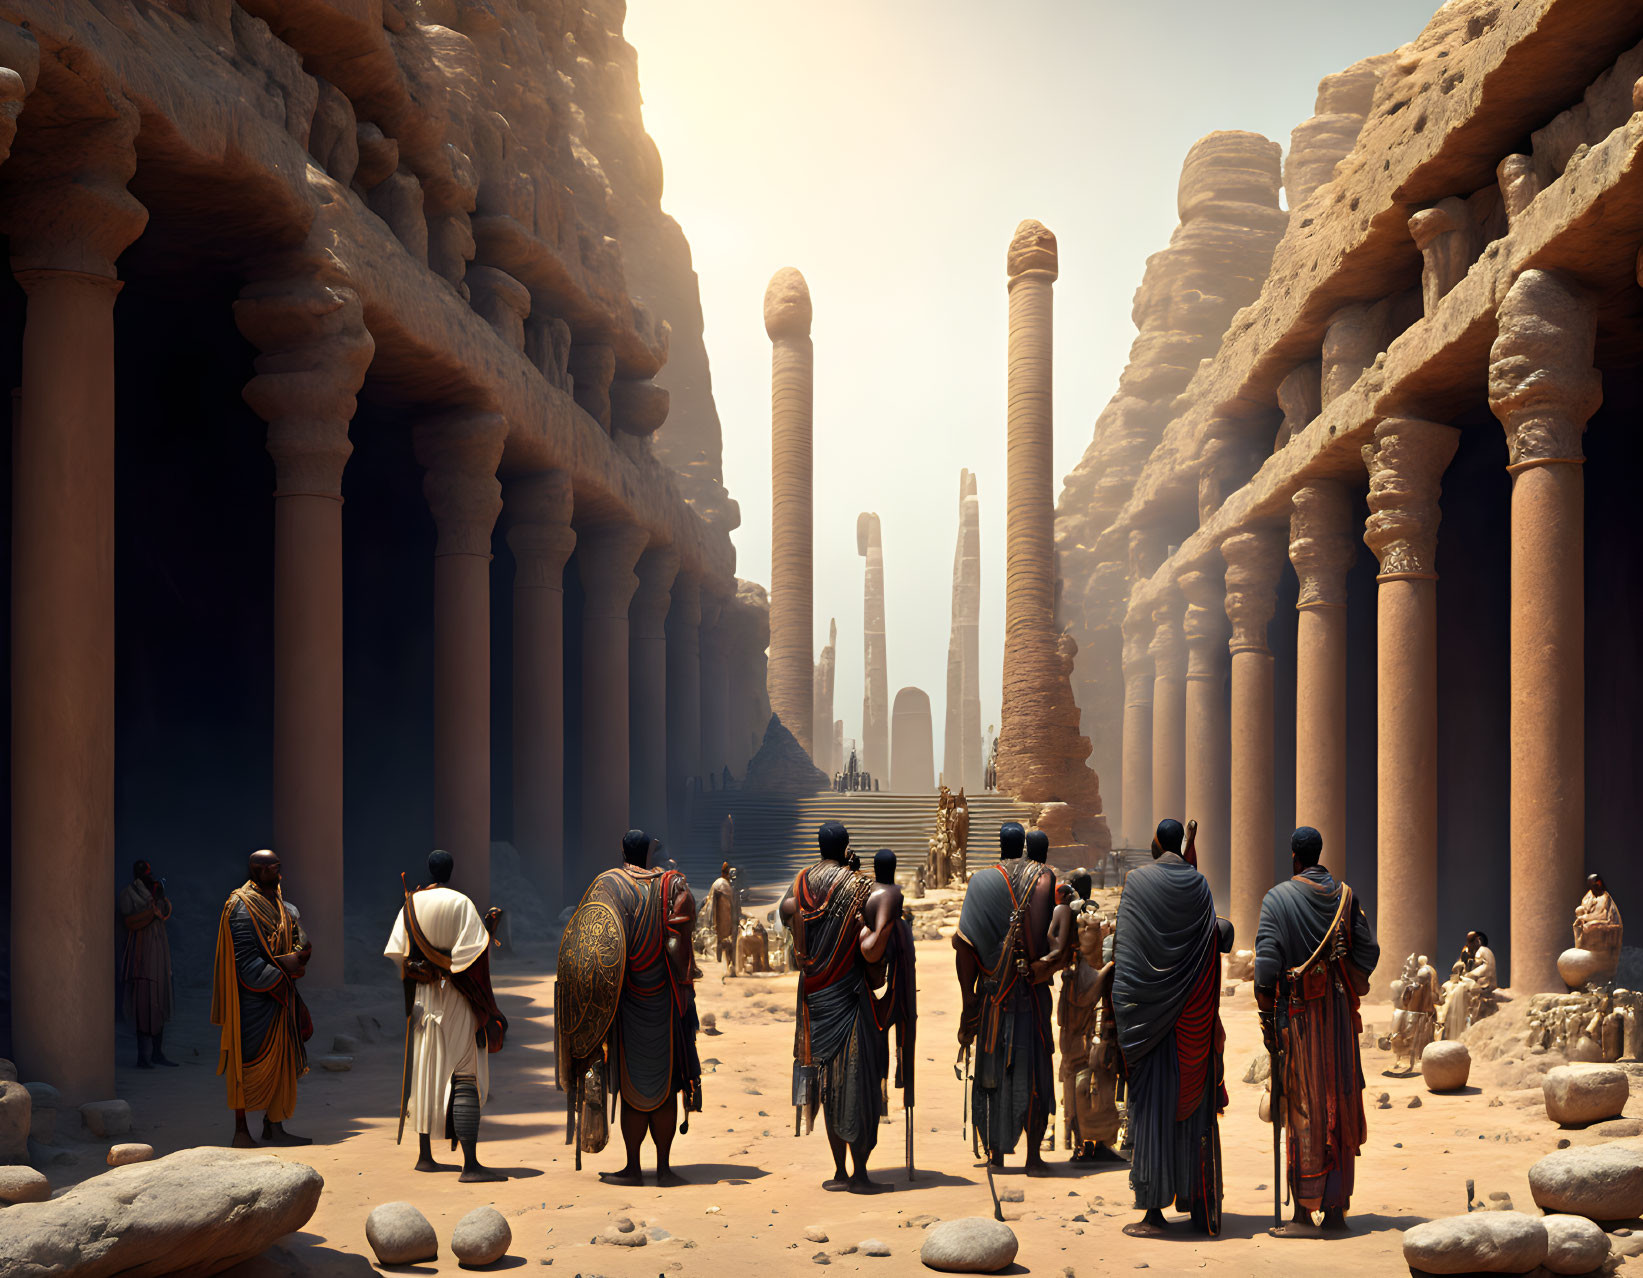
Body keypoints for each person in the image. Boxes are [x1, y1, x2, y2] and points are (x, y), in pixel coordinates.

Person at [1255, 825, 1379, 1237]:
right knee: (1339, 1102)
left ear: (1294, 857)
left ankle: (1304, 1214)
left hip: (1301, 1019)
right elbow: (1369, 953)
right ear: (1319, 854)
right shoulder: (1346, 896)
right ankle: (1337, 1211)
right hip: (1339, 1018)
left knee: (1303, 1107)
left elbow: (1266, 969)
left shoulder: (1277, 899)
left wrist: (1268, 1022)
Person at [1112, 818, 1232, 1236]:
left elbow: (1125, 957)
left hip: (1149, 1022)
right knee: (1194, 1114)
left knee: (1152, 1112)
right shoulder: (1199, 886)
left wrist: (1124, 1016)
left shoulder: (1138, 881)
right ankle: (1200, 1203)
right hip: (1192, 1023)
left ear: (1157, 842)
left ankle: (1152, 1213)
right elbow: (1210, 947)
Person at [580, 829, 701, 1187]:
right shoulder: (672, 885)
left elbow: (591, 941)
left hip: (625, 1002)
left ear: (622, 850)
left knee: (631, 1087)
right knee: (664, 1085)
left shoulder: (607, 885)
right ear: (651, 852)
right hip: (663, 1002)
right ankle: (663, 1170)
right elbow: (682, 941)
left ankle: (633, 1168)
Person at [385, 850, 509, 1182]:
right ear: (451, 871)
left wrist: (420, 972)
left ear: (429, 870)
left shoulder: (411, 904)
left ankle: (425, 1157)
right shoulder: (461, 903)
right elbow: (471, 957)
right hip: (456, 997)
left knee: (425, 1073)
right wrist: (488, 928)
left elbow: (399, 954)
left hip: (424, 999)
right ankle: (470, 1165)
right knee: (465, 1073)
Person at [782, 821, 888, 1193]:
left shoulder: (801, 882)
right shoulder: (858, 884)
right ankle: (859, 1174)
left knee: (825, 1082)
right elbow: (872, 942)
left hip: (813, 998)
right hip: (848, 996)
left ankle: (840, 1171)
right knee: (855, 1081)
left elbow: (786, 912)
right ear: (845, 847)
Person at [954, 821, 1056, 1175]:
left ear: (999, 844)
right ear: (1024, 846)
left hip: (993, 1000)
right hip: (1030, 994)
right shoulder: (1042, 878)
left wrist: (969, 1001)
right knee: (1033, 1075)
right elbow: (1046, 945)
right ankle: (1033, 1158)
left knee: (992, 1074)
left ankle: (995, 1154)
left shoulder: (981, 882)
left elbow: (964, 947)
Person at [211, 849, 313, 1147]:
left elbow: (294, 936)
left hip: (280, 996)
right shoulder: (241, 907)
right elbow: (245, 963)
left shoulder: (279, 902)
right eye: (274, 869)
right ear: (259, 870)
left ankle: (274, 1125)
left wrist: (301, 951)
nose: (280, 873)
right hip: (253, 1001)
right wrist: (285, 970)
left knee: (283, 1061)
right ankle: (241, 1130)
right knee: (246, 1063)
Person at [1055, 872, 1122, 1162]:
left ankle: (1094, 1141)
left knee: (1092, 1079)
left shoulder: (1076, 927)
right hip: (1079, 1022)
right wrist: (1108, 969)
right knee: (1082, 1080)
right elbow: (1090, 987)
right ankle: (1084, 1142)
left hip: (1085, 1022)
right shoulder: (1082, 966)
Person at [862, 848, 916, 1160]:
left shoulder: (869, 901)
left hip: (874, 992)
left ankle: (880, 1093)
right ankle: (894, 1083)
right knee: (892, 1039)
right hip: (894, 994)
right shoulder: (899, 924)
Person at [118, 859, 176, 1069]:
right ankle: (143, 1057)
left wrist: (159, 899)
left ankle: (158, 1053)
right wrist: (150, 911)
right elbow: (130, 921)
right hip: (142, 955)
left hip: (159, 954)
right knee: (143, 1006)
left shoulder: (154, 890)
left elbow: (165, 913)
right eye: (144, 872)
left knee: (159, 1002)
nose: (147, 875)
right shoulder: (129, 894)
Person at [707, 863, 742, 974]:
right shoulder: (721, 884)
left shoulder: (726, 885)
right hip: (724, 919)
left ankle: (730, 968)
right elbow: (713, 905)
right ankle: (724, 968)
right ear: (726, 873)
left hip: (728, 919)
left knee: (728, 944)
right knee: (725, 944)